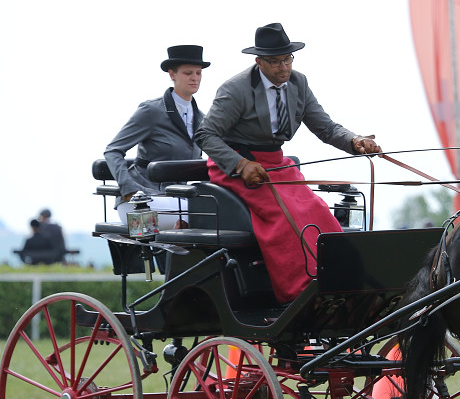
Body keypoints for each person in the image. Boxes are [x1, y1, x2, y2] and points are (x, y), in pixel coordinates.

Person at [194, 23, 381, 303]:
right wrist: (241, 165)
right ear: (259, 62)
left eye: (287, 59)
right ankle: (302, 292)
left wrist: (355, 141)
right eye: (274, 62)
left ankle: (342, 281)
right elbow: (205, 135)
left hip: (276, 164)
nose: (283, 68)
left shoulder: (298, 83)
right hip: (235, 167)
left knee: (317, 208)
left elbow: (326, 128)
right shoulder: (236, 89)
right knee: (285, 215)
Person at [104, 45, 210, 229]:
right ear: (172, 74)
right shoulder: (151, 111)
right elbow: (112, 151)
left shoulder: (202, 119)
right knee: (203, 215)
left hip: (176, 198)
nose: (195, 78)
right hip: (140, 199)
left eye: (198, 73)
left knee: (215, 211)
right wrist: (129, 189)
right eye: (188, 73)